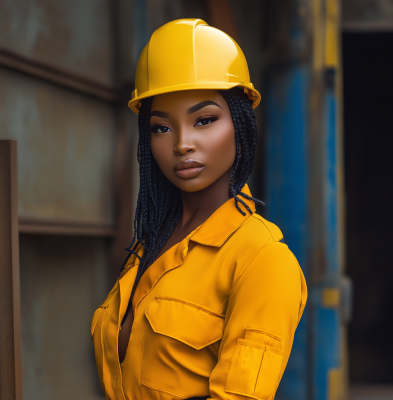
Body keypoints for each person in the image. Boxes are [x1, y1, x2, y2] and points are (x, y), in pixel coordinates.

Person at [91, 19, 307, 400]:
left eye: (204, 120)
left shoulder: (262, 260)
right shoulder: (150, 245)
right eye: (162, 128)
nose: (182, 144)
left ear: (240, 125)